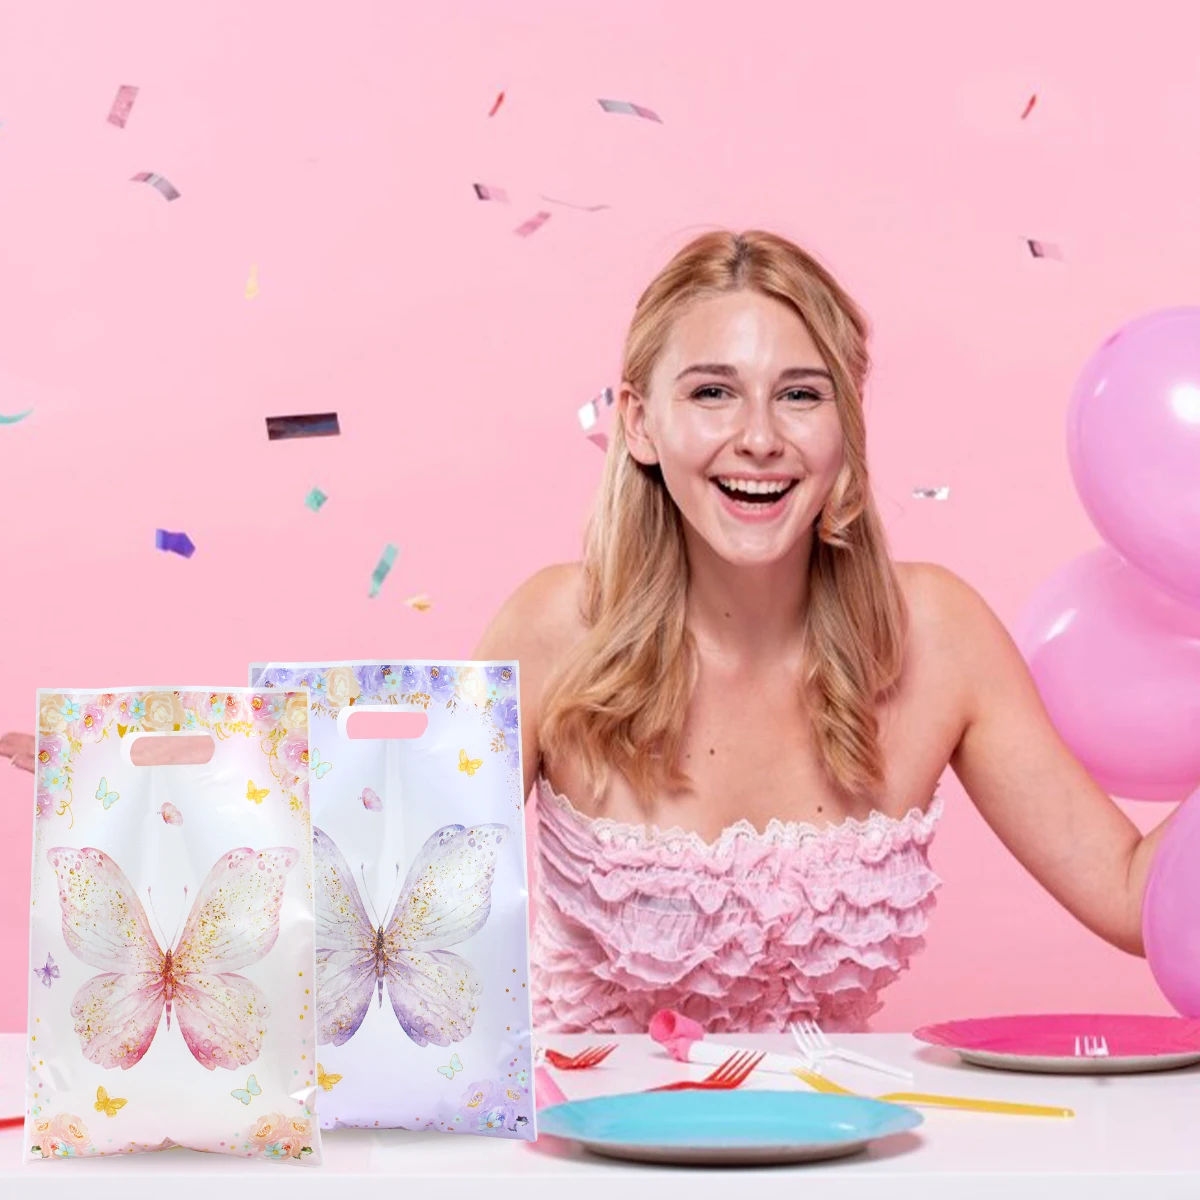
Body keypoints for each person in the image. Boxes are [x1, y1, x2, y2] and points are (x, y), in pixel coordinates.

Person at [473, 228, 1175, 1034]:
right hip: (580, 1118)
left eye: (801, 395)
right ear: (639, 423)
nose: (760, 438)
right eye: (712, 393)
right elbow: (408, 920)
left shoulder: (938, 637)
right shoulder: (551, 634)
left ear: (847, 422)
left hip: (832, 1120)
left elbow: (1131, 892)